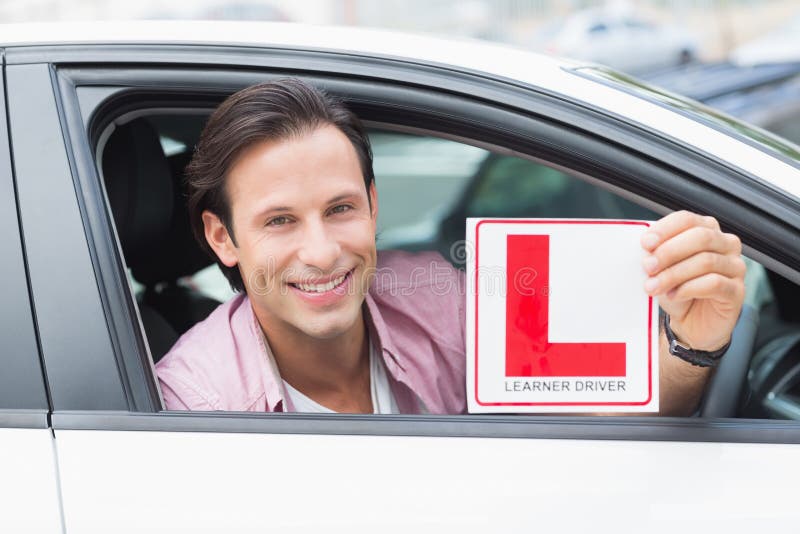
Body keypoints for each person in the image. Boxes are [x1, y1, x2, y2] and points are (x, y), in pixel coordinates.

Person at [155, 78, 746, 416]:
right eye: (280, 221)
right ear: (222, 238)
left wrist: (693, 345)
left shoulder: (443, 300)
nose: (321, 252)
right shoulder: (193, 400)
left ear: (374, 206)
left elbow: (603, 416)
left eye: (340, 210)